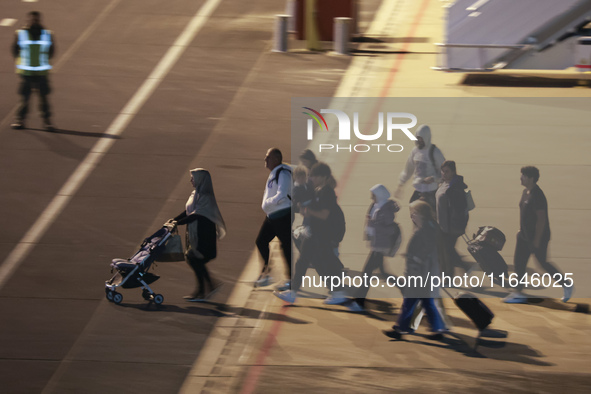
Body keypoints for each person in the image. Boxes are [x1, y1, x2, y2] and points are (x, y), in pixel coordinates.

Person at [274, 162, 347, 305]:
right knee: (316, 263)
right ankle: (336, 291)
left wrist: (308, 212)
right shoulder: (318, 190)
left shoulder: (326, 192)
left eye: (314, 176)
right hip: (315, 233)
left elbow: (324, 214)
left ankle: (295, 293)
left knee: (315, 263)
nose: (311, 178)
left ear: (323, 177)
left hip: (320, 234)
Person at [503, 166, 574, 303]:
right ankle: (518, 292)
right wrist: (521, 230)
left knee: (543, 263)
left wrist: (536, 241)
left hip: (537, 237)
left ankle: (566, 284)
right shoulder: (526, 192)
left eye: (523, 175)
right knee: (519, 263)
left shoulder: (538, 195)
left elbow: (541, 220)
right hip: (524, 236)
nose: (520, 178)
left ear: (531, 178)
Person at [383, 200, 447, 340]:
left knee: (414, 301)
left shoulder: (427, 229)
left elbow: (427, 249)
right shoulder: (429, 226)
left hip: (420, 273)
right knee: (422, 302)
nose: (412, 217)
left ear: (421, 214)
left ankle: (403, 328)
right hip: (422, 272)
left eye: (414, 214)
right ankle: (436, 329)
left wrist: (416, 259)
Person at [172, 168, 226, 301]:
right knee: (193, 259)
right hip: (196, 234)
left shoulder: (205, 196)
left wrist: (178, 223)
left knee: (194, 258)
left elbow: (197, 215)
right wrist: (174, 220)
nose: (191, 180)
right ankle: (207, 288)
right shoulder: (195, 193)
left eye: (193, 178)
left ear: (200, 179)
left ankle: (204, 290)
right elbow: (188, 211)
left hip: (204, 235)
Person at [350, 185, 401, 312]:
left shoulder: (386, 210)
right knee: (383, 272)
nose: (371, 197)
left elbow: (390, 229)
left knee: (366, 273)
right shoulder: (375, 205)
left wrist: (376, 226)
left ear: (379, 195)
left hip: (381, 246)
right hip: (376, 244)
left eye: (373, 195)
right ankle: (407, 290)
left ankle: (359, 301)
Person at [11, 11, 56, 131]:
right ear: (28, 20)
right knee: (24, 99)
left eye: (36, 19)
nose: (34, 21)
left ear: (39, 20)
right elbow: (15, 50)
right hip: (27, 72)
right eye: (32, 19)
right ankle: (20, 120)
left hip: (41, 72)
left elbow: (51, 51)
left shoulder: (47, 34)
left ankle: (47, 122)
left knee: (43, 98)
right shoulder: (20, 34)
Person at [255, 148, 292, 291]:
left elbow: (282, 195)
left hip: (282, 216)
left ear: (276, 159)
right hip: (272, 217)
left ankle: (290, 280)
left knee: (286, 247)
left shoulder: (283, 173)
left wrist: (268, 203)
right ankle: (267, 272)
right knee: (261, 241)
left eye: (268, 157)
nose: (265, 159)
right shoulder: (275, 173)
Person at [394, 125, 445, 209]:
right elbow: (408, 169)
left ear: (427, 137)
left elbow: (445, 173)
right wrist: (400, 184)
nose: (420, 141)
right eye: (418, 138)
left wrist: (434, 179)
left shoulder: (435, 152)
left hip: (431, 191)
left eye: (422, 138)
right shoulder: (415, 151)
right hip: (418, 190)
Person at [435, 160, 472, 274]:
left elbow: (458, 210)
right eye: (442, 171)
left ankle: (453, 273)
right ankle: (457, 271)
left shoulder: (454, 189)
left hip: (450, 227)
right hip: (443, 225)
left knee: (448, 251)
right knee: (447, 251)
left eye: (447, 171)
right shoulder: (445, 183)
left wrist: (450, 228)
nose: (444, 174)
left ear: (453, 172)